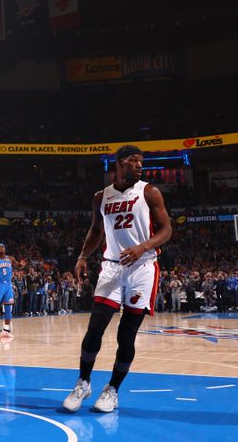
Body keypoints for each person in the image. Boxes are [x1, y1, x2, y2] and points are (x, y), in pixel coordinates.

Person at [63, 145, 172, 413]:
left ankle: (112, 390)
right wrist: (81, 257)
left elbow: (167, 230)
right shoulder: (101, 197)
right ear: (120, 163)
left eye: (141, 161)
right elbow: (96, 230)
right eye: (134, 160)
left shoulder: (149, 192)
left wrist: (143, 247)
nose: (140, 165)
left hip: (142, 267)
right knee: (94, 328)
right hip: (111, 266)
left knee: (126, 335)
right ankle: (83, 382)